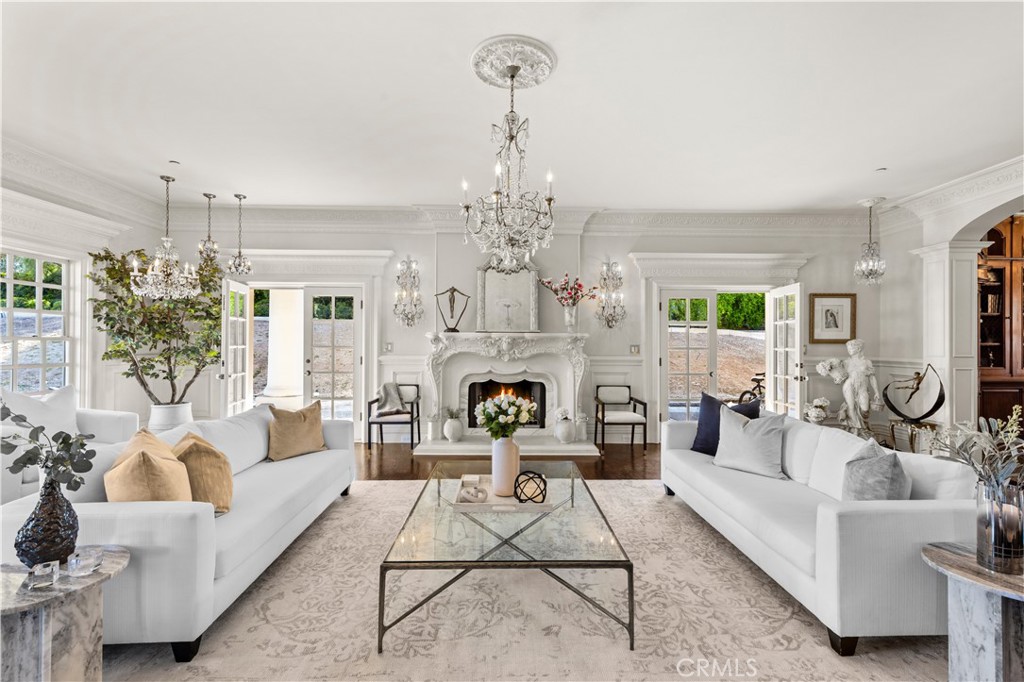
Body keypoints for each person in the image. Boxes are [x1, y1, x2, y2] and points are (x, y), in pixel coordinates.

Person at [816, 338, 882, 434]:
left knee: (865, 408)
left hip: (862, 387)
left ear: (859, 348)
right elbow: (839, 377)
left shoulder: (867, 362)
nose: (849, 349)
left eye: (852, 347)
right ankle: (856, 432)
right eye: (848, 347)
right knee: (851, 407)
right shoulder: (845, 362)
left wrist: (876, 392)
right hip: (849, 386)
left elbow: (872, 377)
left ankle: (863, 429)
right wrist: (829, 370)